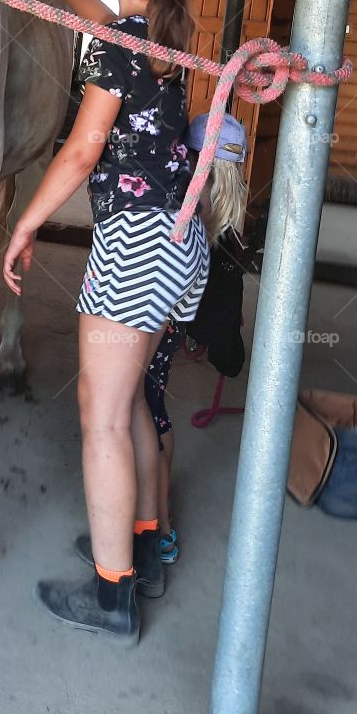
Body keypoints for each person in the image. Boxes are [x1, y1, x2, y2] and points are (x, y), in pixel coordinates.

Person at [3, 0, 208, 647]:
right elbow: (100, 14)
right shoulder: (164, 38)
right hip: (180, 244)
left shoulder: (121, 51)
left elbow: (85, 148)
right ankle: (144, 547)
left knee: (102, 419)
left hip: (138, 245)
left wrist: (25, 223)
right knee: (120, 404)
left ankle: (112, 594)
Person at [145, 110, 249, 563]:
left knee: (144, 420)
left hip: (154, 338)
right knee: (155, 416)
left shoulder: (195, 235)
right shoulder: (222, 241)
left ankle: (157, 530)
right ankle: (158, 524)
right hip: (167, 340)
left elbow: (227, 350)